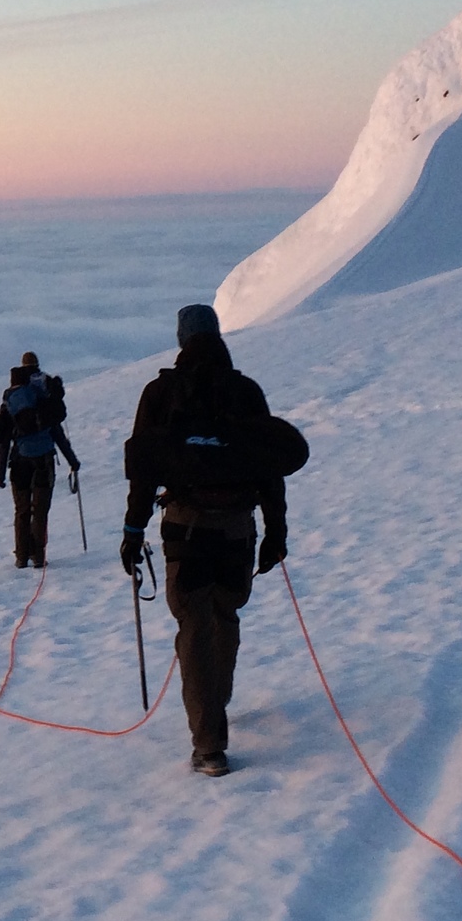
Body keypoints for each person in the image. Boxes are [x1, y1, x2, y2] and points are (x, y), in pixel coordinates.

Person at [120, 305, 288, 777]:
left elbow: (143, 470)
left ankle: (209, 743)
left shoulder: (160, 392)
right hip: (237, 528)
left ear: (181, 340)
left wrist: (133, 533)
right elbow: (269, 466)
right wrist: (276, 532)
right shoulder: (245, 391)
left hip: (185, 528)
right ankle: (216, 703)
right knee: (224, 615)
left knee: (193, 630)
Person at [0, 352, 78, 568]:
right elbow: (57, 432)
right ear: (37, 366)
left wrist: (0, 469)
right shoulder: (44, 394)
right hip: (44, 459)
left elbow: (4, 435)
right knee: (40, 510)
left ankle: (21, 557)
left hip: (19, 460)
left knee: (22, 510)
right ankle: (38, 557)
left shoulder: (11, 396)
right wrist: (72, 460)